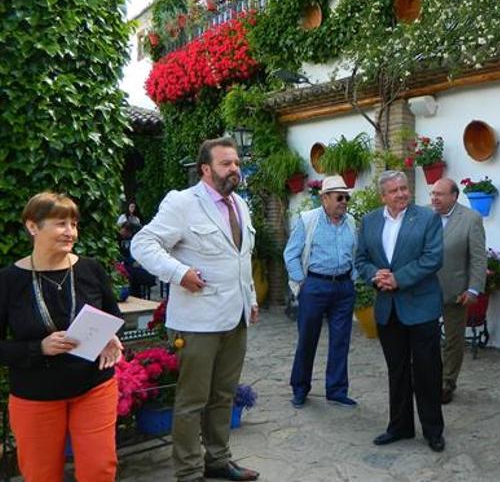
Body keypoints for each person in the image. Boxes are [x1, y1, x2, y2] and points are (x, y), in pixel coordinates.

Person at [131, 137, 260, 482]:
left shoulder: (240, 206)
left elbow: (240, 260)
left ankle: (218, 459)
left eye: (236, 162)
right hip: (197, 321)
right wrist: (179, 273)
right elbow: (142, 243)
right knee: (192, 400)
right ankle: (188, 471)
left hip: (236, 318)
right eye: (225, 163)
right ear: (205, 169)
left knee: (224, 395)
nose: (234, 169)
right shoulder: (182, 203)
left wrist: (251, 299)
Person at [0, 191, 123, 482]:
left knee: (99, 470)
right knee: (41, 475)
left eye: (74, 224)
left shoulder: (90, 269)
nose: (71, 232)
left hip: (93, 386)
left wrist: (110, 338)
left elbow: (112, 316)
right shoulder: (8, 281)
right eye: (60, 224)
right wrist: (38, 347)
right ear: (33, 226)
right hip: (35, 394)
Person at [354, 170, 446, 452]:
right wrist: (375, 274)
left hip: (421, 307)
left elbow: (433, 258)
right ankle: (400, 426)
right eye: (394, 190)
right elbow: (361, 259)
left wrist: (398, 278)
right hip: (388, 309)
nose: (402, 194)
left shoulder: (427, 218)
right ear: (383, 196)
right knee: (397, 371)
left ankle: (433, 431)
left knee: (427, 371)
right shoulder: (369, 221)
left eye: (404, 188)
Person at [284, 175, 358, 409]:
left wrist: (353, 278)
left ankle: (336, 390)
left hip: (344, 287)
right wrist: (301, 282)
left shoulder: (351, 222)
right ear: (324, 198)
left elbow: (356, 253)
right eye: (339, 197)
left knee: (341, 341)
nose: (344, 201)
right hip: (315, 286)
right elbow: (290, 254)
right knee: (308, 338)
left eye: (346, 197)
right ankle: (300, 388)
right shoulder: (308, 220)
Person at [430, 177, 487, 405]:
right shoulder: (423, 215)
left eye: (440, 194)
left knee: (453, 340)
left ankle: (447, 382)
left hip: (455, 290)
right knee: (426, 338)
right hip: (425, 290)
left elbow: (478, 257)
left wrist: (473, 289)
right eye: (433, 193)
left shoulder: (471, 219)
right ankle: (428, 378)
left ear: (454, 196)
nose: (434, 198)